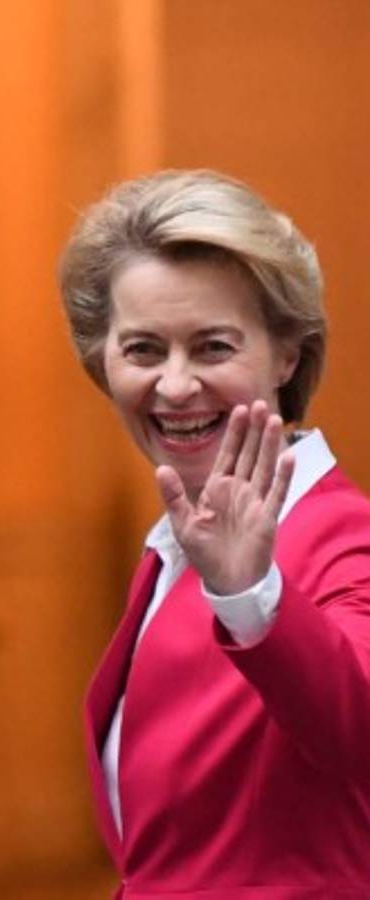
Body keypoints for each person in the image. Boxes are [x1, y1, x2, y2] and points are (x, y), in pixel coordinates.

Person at [58, 168, 370, 897]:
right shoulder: (180, 537)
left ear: (287, 354)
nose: (174, 386)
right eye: (143, 349)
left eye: (213, 348)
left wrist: (252, 594)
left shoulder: (339, 532)